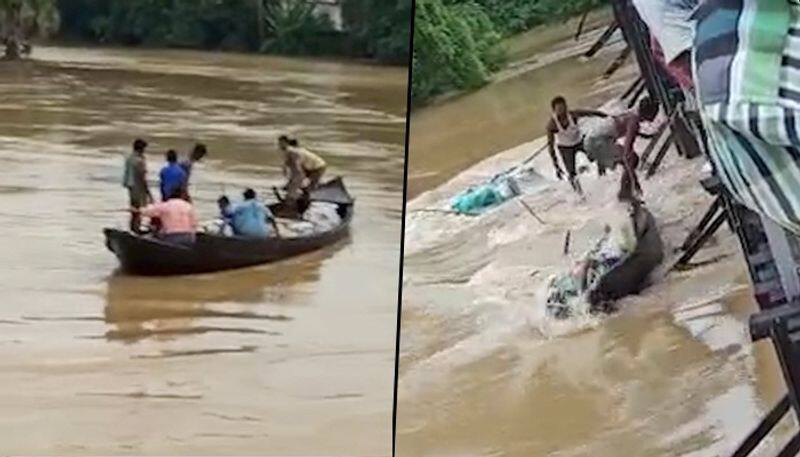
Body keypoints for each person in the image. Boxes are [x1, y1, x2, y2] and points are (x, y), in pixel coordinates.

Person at [584, 96, 660, 202]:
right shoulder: (633, 122)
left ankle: (625, 192)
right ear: (649, 113)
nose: (656, 116)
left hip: (593, 139)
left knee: (631, 160)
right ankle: (624, 193)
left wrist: (650, 135)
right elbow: (627, 153)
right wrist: (635, 181)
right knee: (632, 159)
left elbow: (631, 133)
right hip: (597, 142)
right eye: (655, 113)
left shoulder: (631, 114)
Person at [546, 96, 609, 193]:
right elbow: (551, 147)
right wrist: (556, 166)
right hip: (565, 147)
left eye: (563, 108)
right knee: (571, 173)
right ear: (554, 111)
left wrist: (607, 116)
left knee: (598, 156)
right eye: (559, 109)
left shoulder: (573, 115)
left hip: (579, 141)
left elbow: (590, 113)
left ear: (566, 107)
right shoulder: (552, 124)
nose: (562, 111)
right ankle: (580, 194)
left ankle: (602, 179)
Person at [278, 134, 327, 199]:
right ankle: (303, 195)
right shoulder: (289, 152)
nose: (279, 145)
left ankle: (306, 198)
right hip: (308, 167)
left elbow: (298, 171)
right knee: (297, 184)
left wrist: (292, 189)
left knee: (309, 187)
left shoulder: (293, 152)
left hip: (318, 167)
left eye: (281, 143)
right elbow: (288, 167)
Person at [122, 138, 153, 233]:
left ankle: (133, 228)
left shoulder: (129, 157)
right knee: (138, 209)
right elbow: (142, 177)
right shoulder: (139, 160)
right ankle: (136, 228)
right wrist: (148, 192)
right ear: (141, 149)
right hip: (137, 186)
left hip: (130, 186)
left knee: (134, 208)